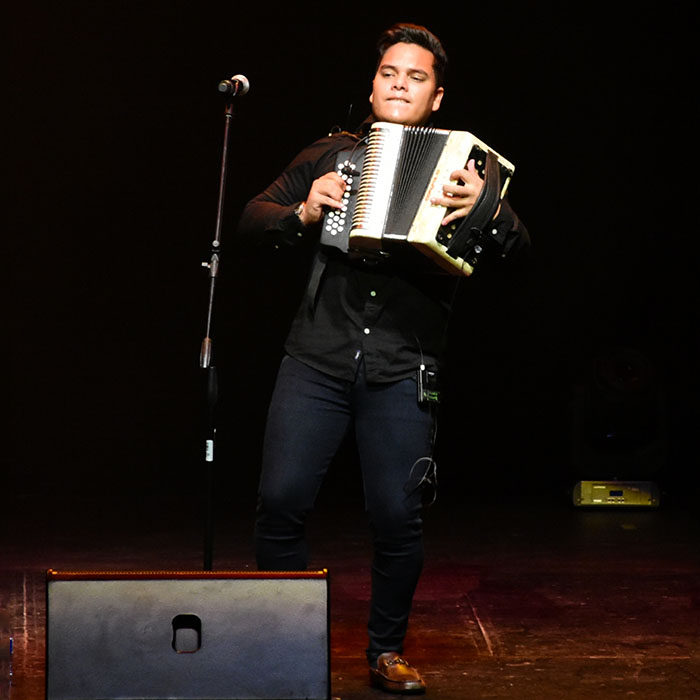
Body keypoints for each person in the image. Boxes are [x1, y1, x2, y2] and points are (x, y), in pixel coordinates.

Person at [237, 22, 529, 694]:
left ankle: (387, 651)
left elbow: (521, 251)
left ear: (436, 97)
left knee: (397, 517)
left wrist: (487, 210)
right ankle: (284, 648)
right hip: (316, 358)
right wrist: (303, 211)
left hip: (404, 364)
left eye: (415, 77)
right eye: (389, 74)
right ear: (372, 86)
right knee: (280, 500)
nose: (399, 85)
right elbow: (254, 216)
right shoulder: (331, 153)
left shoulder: (471, 169)